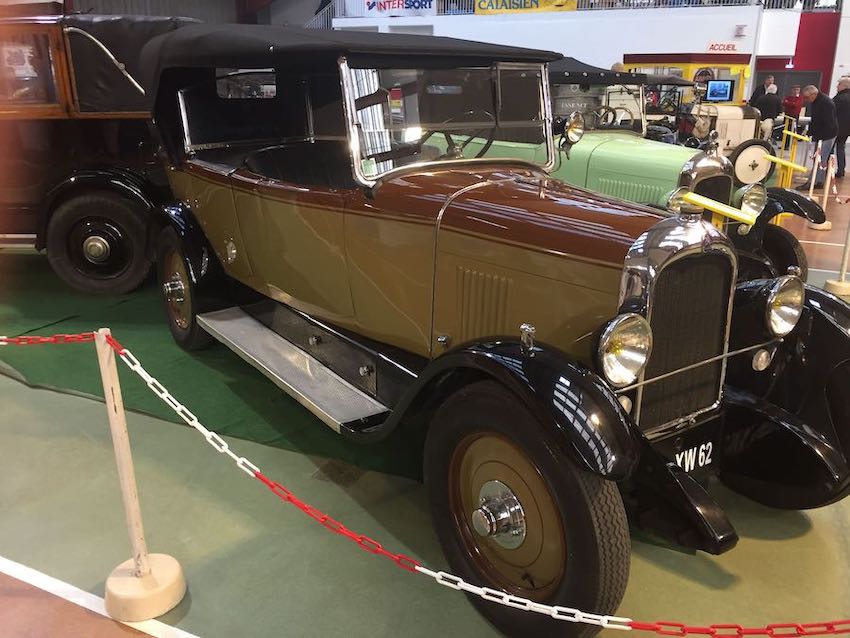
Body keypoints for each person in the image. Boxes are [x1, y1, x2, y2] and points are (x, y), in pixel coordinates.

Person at [803, 84, 838, 188]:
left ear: (813, 94)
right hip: (822, 134)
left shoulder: (826, 103)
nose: (806, 100)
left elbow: (828, 122)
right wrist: (810, 132)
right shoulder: (816, 102)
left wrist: (819, 137)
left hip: (827, 135)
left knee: (820, 158)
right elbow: (815, 119)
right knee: (818, 158)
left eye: (807, 97)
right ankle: (818, 181)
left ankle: (814, 182)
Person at [833, 77, 850, 178]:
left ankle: (826, 169)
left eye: (839, 84)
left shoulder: (840, 98)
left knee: (829, 149)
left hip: (835, 127)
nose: (837, 86)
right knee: (841, 148)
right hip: (846, 129)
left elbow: (831, 111)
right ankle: (841, 170)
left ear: (844, 86)